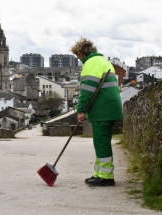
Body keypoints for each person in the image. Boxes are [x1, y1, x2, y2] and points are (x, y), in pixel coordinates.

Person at [71, 37, 123, 186]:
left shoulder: (91, 64)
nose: (79, 59)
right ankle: (99, 173)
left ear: (82, 53)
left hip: (102, 109)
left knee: (101, 143)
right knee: (101, 142)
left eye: (78, 56)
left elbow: (87, 90)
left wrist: (80, 110)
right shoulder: (104, 62)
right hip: (110, 107)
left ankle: (106, 177)